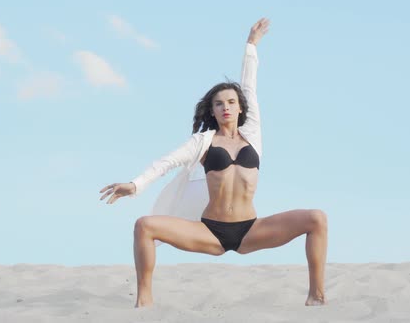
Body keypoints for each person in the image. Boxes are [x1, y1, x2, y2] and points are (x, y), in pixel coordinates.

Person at [99, 17, 328, 308]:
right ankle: (144, 301)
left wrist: (251, 46)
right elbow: (166, 162)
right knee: (144, 225)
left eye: (231, 102)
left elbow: (249, 85)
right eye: (219, 104)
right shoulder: (203, 142)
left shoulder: (252, 135)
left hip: (250, 229)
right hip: (210, 231)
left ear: (240, 107)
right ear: (213, 110)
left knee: (316, 218)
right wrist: (135, 185)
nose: (226, 107)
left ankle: (316, 296)